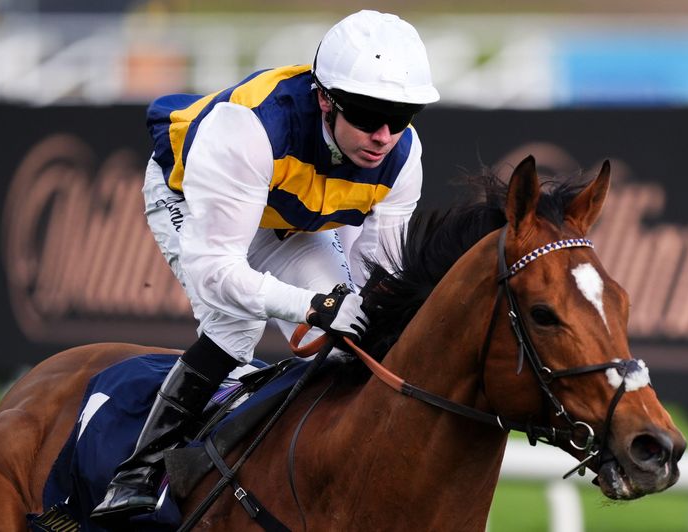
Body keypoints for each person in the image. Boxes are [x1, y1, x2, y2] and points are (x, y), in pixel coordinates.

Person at [91, 9, 439, 524]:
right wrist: (314, 306)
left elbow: (377, 273)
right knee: (236, 325)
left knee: (352, 340)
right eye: (367, 114)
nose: (384, 135)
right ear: (326, 98)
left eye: (402, 115)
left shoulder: (403, 156)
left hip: (286, 213)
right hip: (196, 190)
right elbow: (215, 271)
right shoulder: (250, 126)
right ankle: (135, 474)